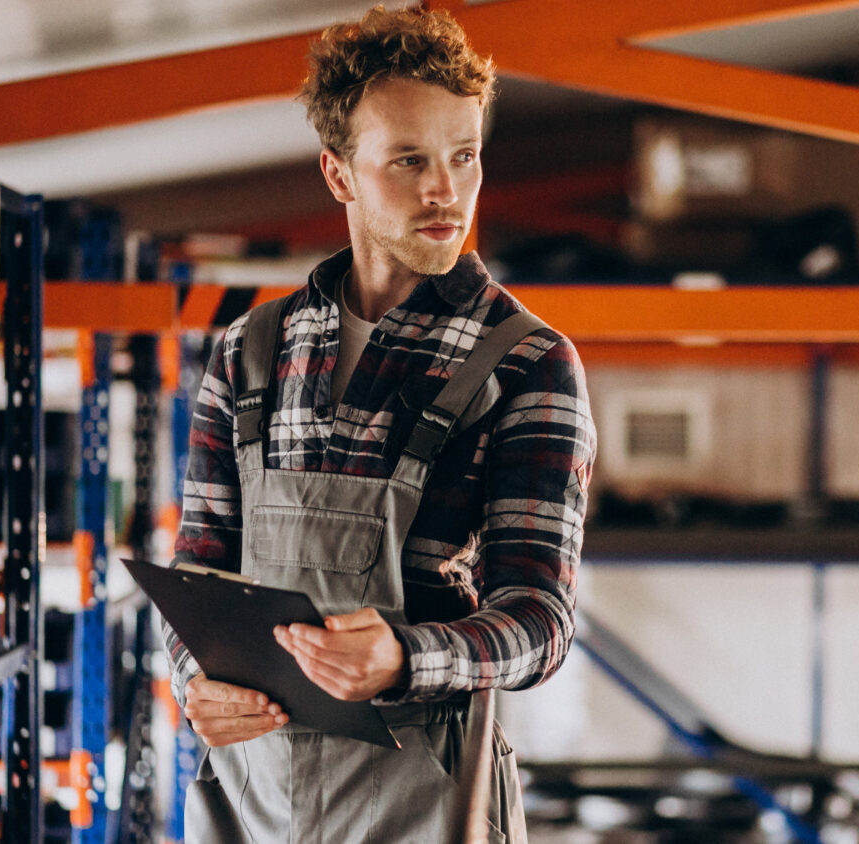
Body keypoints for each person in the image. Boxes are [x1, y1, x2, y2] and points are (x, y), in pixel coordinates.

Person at [162, 6, 597, 841]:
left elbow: (541, 622)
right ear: (339, 176)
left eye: (464, 156)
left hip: (422, 801)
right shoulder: (250, 351)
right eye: (409, 160)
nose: (447, 190)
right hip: (252, 799)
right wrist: (196, 681)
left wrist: (404, 657)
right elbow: (202, 568)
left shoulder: (527, 364)